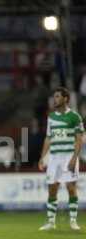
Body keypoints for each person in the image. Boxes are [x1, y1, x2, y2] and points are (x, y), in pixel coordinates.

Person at [38, 87, 84, 231]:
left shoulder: (75, 117)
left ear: (65, 98)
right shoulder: (51, 117)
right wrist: (42, 157)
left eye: (57, 96)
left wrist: (74, 158)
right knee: (52, 189)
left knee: (71, 188)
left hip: (69, 156)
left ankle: (73, 221)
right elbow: (48, 138)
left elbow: (79, 140)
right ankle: (51, 222)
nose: (55, 99)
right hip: (54, 158)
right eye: (54, 97)